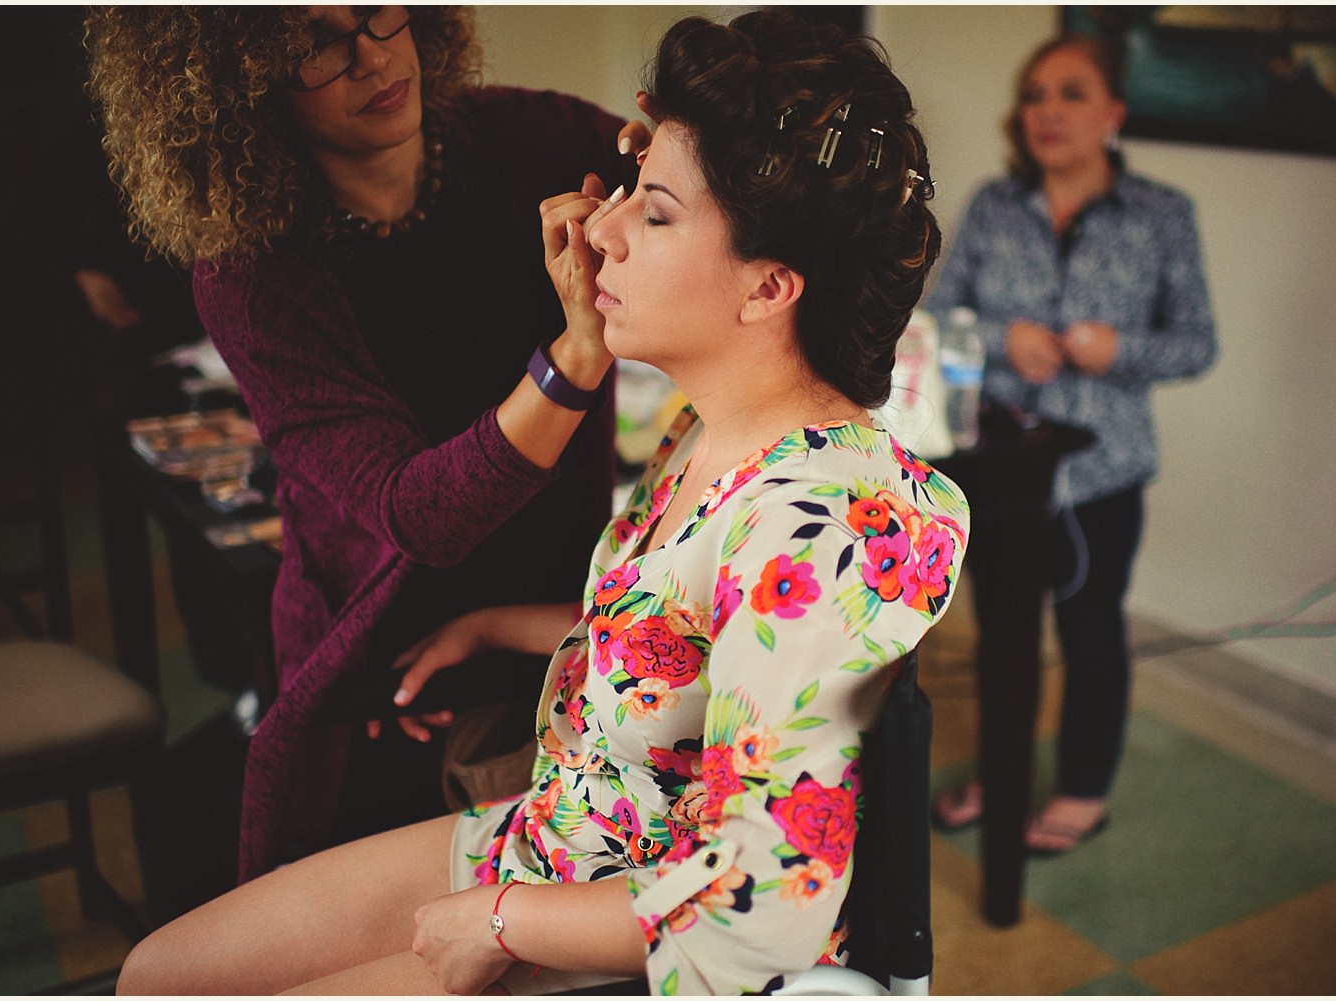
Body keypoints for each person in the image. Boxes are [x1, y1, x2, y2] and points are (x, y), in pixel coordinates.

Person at [113, 10, 969, 995]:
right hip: (560, 827)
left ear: (768, 285)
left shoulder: (834, 521)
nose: (592, 227)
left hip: (625, 909)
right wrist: (511, 624)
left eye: (649, 211)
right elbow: (700, 627)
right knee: (159, 974)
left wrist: (503, 918)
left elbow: (759, 905)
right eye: (633, 190)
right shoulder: (712, 432)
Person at [84, 6, 647, 882]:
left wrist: (686, 134)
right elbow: (416, 515)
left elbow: (686, 174)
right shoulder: (249, 269)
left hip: (557, 611)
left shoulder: (519, 139)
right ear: (236, 85)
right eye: (314, 43)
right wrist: (577, 356)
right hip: (377, 650)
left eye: (381, 10)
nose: (374, 56)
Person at [926, 33, 1217, 853]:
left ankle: (1085, 788)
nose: (1048, 111)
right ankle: (1003, 770)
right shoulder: (992, 205)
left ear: (1114, 114)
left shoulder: (1163, 216)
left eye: (1072, 93)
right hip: (999, 470)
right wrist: (999, 337)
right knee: (1003, 635)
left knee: (1091, 632)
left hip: (1103, 473)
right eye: (1036, 94)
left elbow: (1197, 343)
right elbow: (938, 318)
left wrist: (1118, 350)